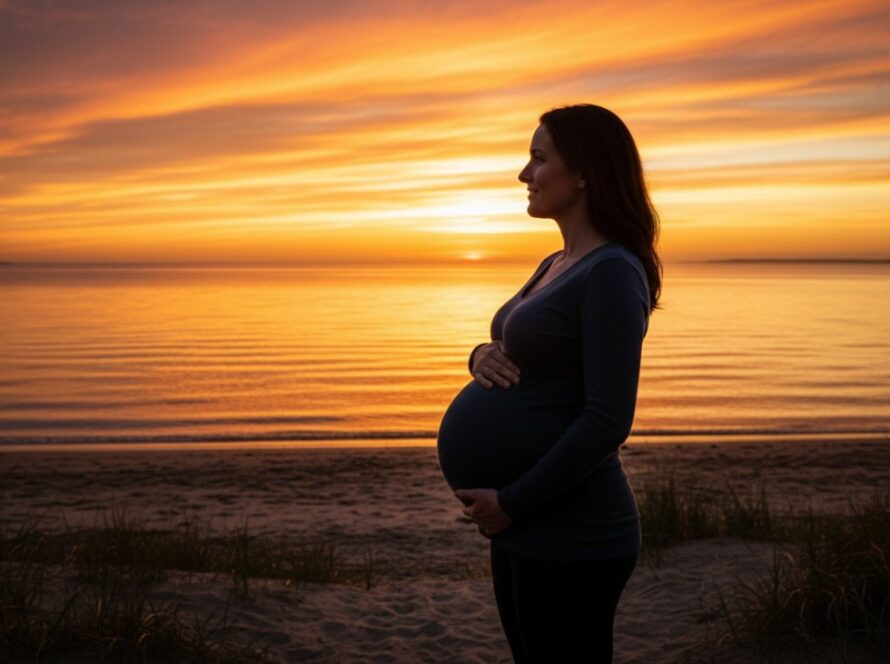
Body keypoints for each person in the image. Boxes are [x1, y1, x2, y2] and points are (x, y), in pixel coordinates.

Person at [436, 103, 662, 663]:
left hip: (573, 532)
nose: (523, 174)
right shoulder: (556, 261)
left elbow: (608, 420)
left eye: (538, 158)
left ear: (583, 172)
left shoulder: (612, 271)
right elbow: (516, 348)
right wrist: (479, 355)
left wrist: (512, 501)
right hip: (524, 524)